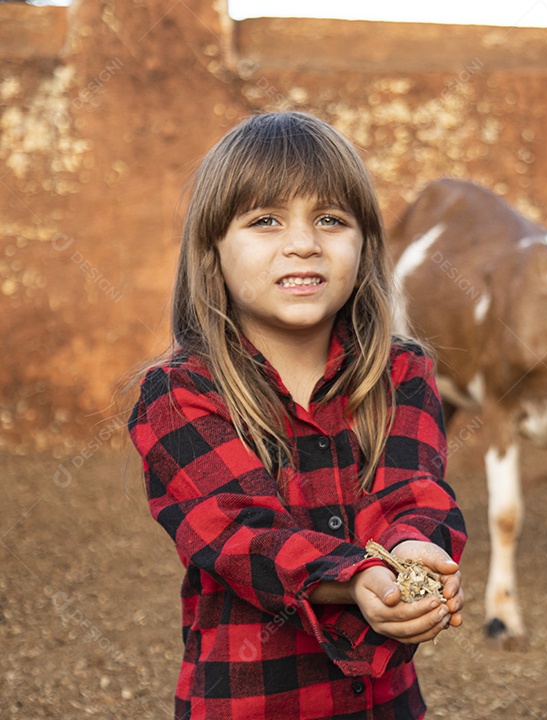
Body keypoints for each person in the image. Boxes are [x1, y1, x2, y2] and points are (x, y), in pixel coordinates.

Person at [128, 111, 467, 720]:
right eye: (265, 220)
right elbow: (241, 534)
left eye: (332, 220)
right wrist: (360, 578)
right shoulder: (178, 395)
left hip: (385, 704)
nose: (303, 243)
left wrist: (415, 553)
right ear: (212, 252)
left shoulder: (400, 373)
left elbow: (412, 490)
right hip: (248, 702)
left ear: (364, 247)